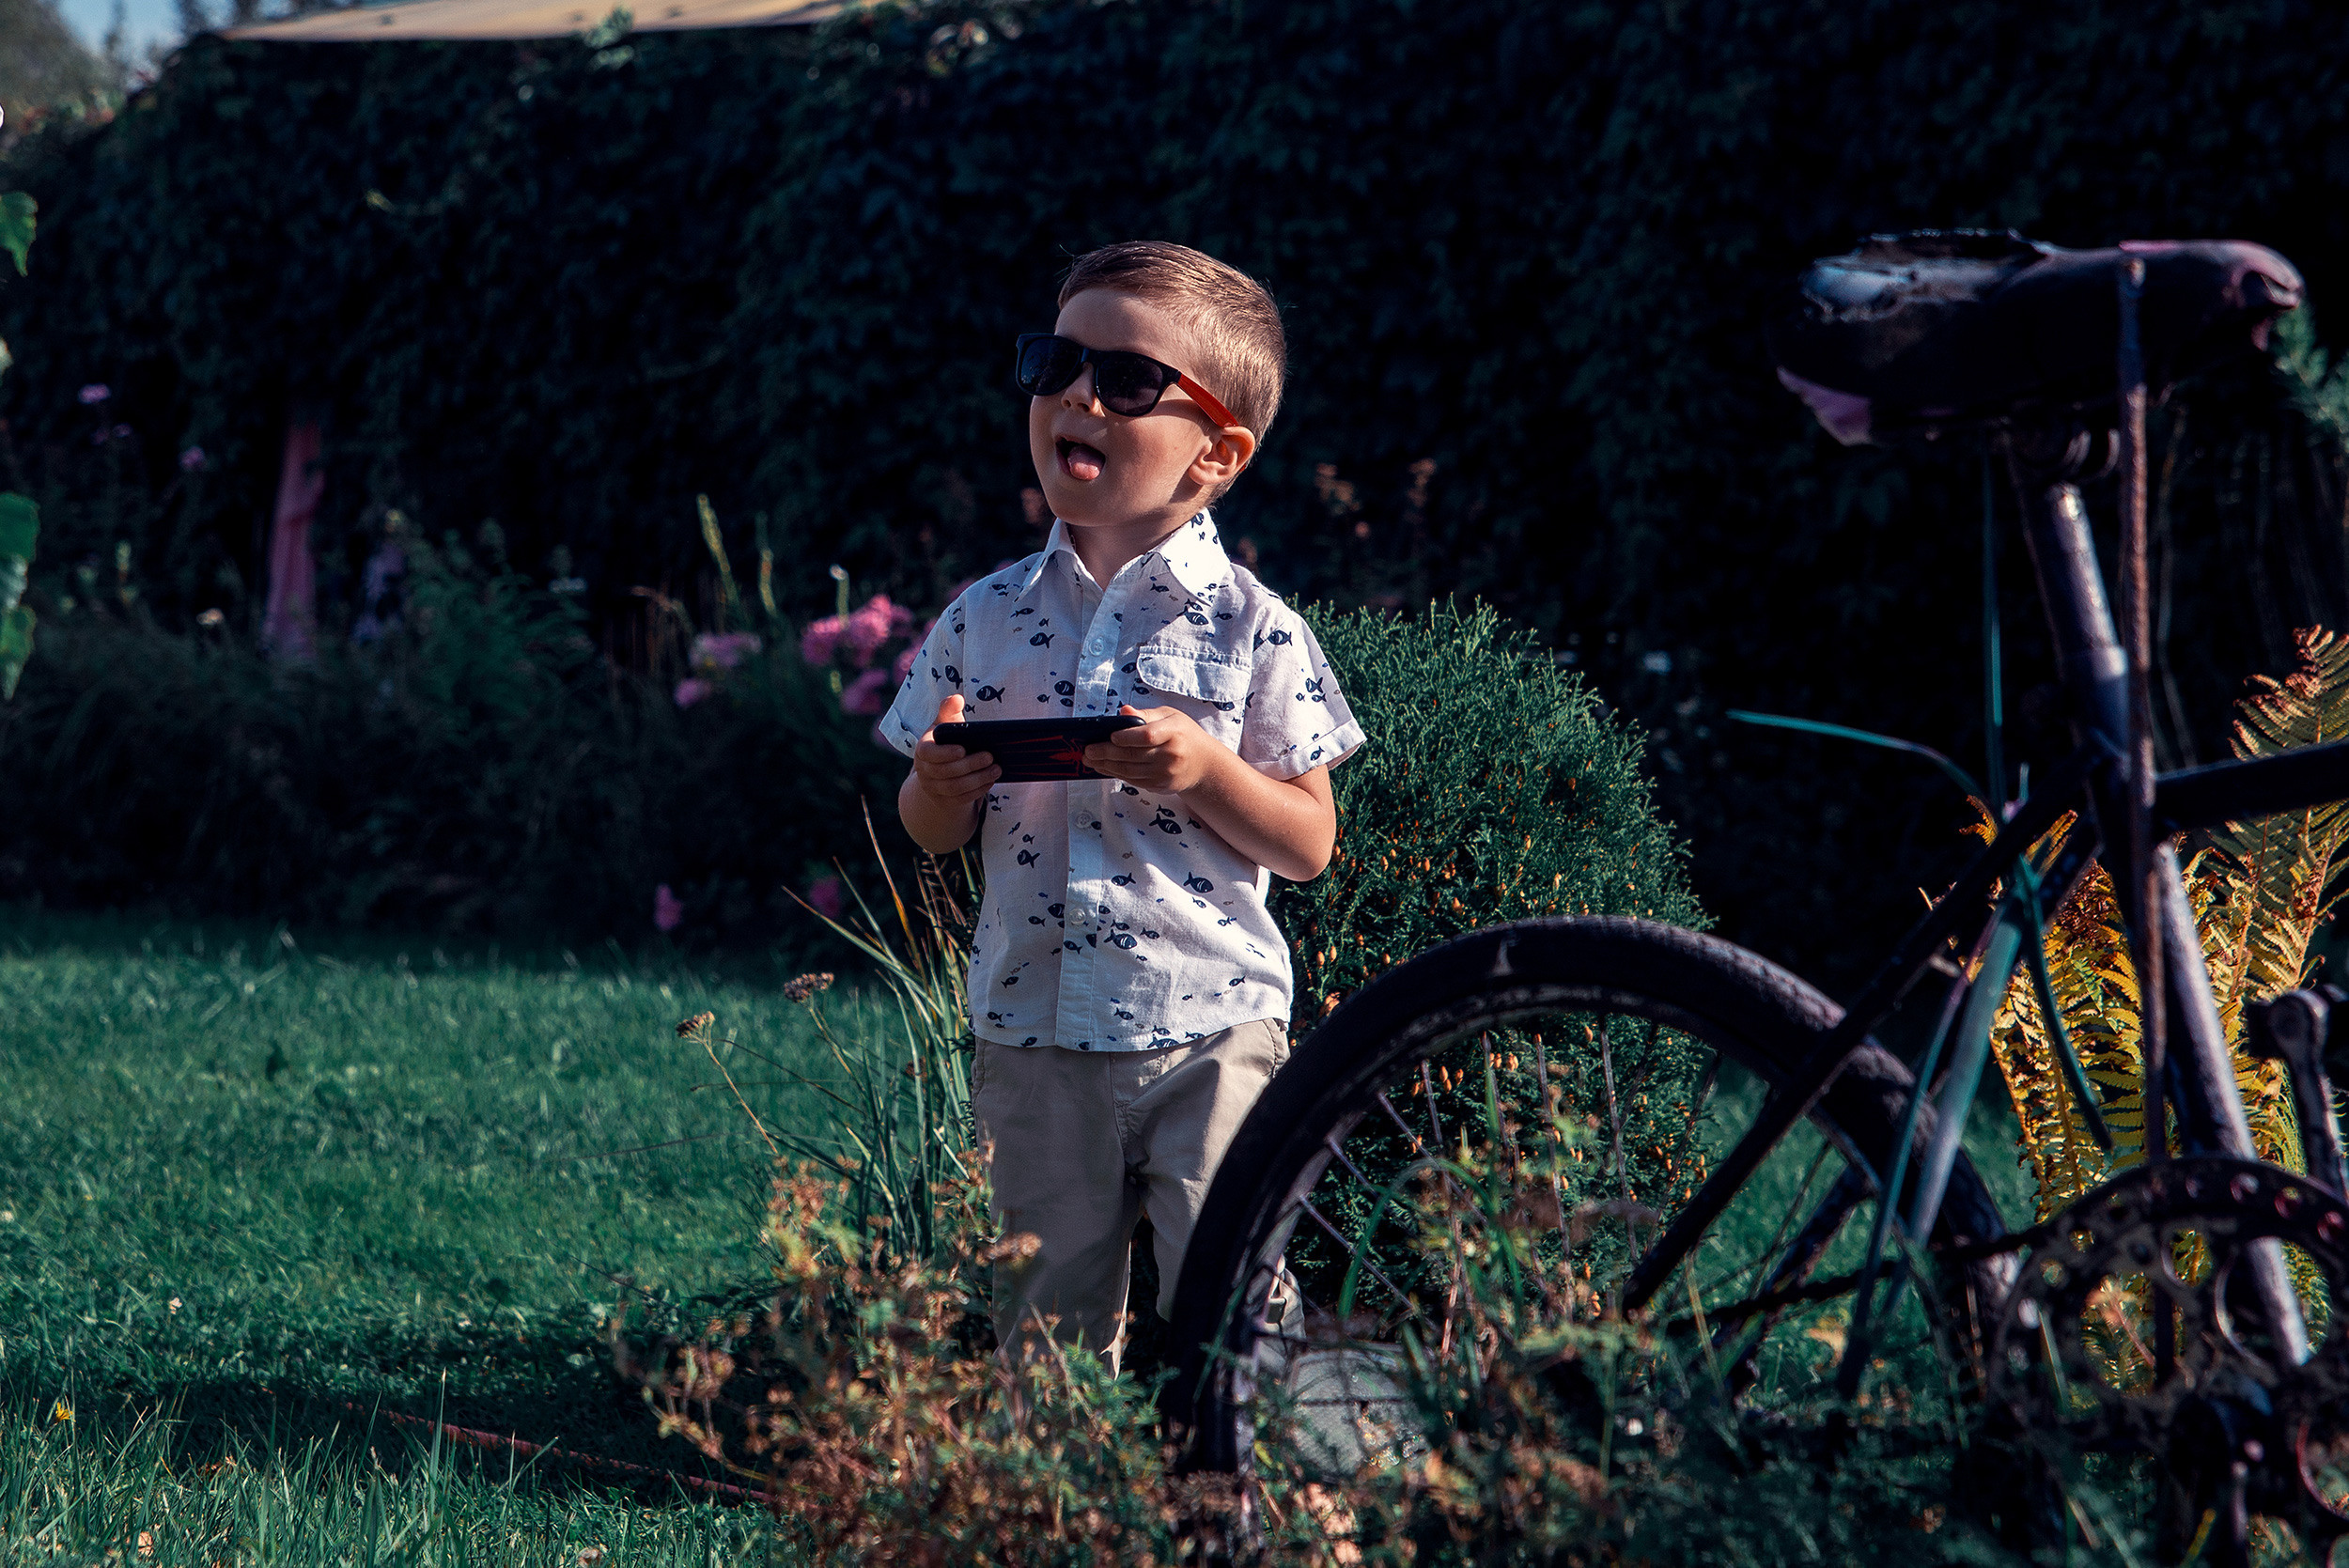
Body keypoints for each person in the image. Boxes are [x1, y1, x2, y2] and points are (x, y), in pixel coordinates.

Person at [882, 241, 1363, 1371]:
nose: (1078, 395)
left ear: (1218, 455)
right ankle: (1058, 1478)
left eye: (1128, 379)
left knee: (1233, 1297)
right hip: (1033, 1029)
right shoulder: (983, 617)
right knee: (1044, 1320)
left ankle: (1254, 1469)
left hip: (1211, 1024)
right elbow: (928, 831)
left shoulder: (1255, 627)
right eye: (1055, 363)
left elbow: (1308, 842)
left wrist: (1204, 772)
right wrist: (937, 787)